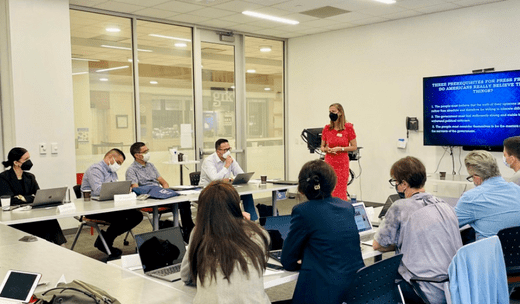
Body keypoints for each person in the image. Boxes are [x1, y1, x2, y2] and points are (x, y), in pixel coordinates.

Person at [373, 156, 462, 304]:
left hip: (424, 287)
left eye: (396, 181)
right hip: (453, 287)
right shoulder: (445, 205)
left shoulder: (400, 206)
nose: (395, 185)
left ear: (404, 184)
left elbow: (378, 245)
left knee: (377, 285)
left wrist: (401, 241)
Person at [280, 160, 364, 304]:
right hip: (354, 288)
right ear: (333, 182)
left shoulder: (303, 211)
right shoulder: (347, 207)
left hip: (323, 292)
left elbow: (288, 260)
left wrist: (306, 261)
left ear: (302, 186)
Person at [180, 181, 271, 304]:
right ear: (236, 206)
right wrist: (248, 224)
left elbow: (186, 276)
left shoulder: (199, 234)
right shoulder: (259, 234)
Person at [125, 142, 194, 241]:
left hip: (160, 193)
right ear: (137, 155)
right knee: (180, 204)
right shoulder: (131, 170)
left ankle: (188, 231)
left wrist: (165, 192)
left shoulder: (151, 166)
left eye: (147, 151)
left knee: (185, 202)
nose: (148, 153)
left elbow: (163, 182)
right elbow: (136, 190)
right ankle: (183, 233)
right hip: (148, 197)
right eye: (145, 152)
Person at [81, 148, 143, 257]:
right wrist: (118, 190)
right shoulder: (95, 169)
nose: (118, 166)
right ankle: (105, 242)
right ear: (110, 158)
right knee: (124, 218)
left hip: (110, 206)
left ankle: (104, 240)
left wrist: (124, 191)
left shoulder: (112, 172)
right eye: (118, 162)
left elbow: (112, 190)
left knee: (136, 215)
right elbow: (98, 190)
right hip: (94, 208)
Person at [0, 147, 67, 245]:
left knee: (50, 220)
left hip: (31, 213)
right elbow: (10, 200)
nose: (29, 162)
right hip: (15, 218)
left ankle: (61, 247)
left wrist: (21, 197)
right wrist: (29, 197)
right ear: (16, 162)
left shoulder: (30, 177)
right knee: (44, 224)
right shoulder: (3, 177)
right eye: (26, 159)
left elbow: (39, 196)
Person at [455, 150, 520, 240]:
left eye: (471, 177)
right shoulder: (517, 190)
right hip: (515, 251)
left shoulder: (471, 198)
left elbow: (448, 225)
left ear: (477, 177)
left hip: (488, 253)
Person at [199, 138, 259, 221]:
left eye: (229, 149)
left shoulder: (230, 159)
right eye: (225, 150)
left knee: (247, 194)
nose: (227, 152)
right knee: (228, 197)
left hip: (224, 188)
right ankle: (232, 222)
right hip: (210, 190)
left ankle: (252, 221)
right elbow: (215, 179)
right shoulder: (208, 161)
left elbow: (240, 174)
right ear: (218, 151)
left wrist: (232, 179)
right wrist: (226, 165)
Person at [320, 103, 357, 200]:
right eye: (330, 112)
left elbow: (354, 147)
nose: (331, 114)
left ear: (340, 113)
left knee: (341, 188)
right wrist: (327, 149)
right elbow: (322, 147)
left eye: (333, 112)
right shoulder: (327, 128)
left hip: (342, 163)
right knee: (329, 187)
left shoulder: (348, 128)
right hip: (329, 161)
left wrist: (341, 148)